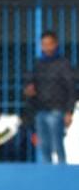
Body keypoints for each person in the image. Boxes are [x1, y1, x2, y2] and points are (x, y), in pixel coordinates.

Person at [24, 30, 75, 164]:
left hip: (57, 110)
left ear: (55, 44)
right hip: (40, 110)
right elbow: (30, 84)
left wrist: (69, 111)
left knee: (57, 144)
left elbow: (71, 88)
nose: (46, 47)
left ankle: (61, 170)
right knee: (44, 146)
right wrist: (29, 90)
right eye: (44, 44)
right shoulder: (38, 64)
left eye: (49, 44)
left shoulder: (63, 64)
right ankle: (48, 172)